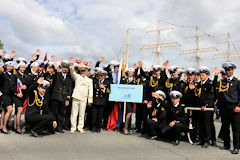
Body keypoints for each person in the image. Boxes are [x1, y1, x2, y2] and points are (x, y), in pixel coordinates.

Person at [191, 66, 216, 148]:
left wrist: (206, 105)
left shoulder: (210, 84)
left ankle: (206, 141)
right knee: (200, 124)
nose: (201, 77)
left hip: (207, 108)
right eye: (200, 75)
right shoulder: (198, 85)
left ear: (207, 75)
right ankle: (201, 140)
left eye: (203, 75)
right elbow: (196, 96)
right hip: (199, 107)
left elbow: (211, 96)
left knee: (207, 124)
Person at [218, 62, 240, 154]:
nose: (227, 71)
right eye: (226, 70)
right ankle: (226, 144)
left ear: (233, 70)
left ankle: (236, 147)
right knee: (225, 127)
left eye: (229, 70)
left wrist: (239, 106)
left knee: (236, 129)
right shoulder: (222, 82)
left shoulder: (237, 82)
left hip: (234, 107)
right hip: (224, 108)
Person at [69, 58, 93, 134]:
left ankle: (80, 127)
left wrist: (90, 100)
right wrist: (72, 65)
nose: (83, 72)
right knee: (74, 113)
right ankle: (73, 127)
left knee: (82, 114)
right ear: (80, 71)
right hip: (76, 96)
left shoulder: (90, 80)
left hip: (84, 98)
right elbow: (72, 72)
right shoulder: (77, 77)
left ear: (86, 72)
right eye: (82, 71)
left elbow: (91, 91)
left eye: (84, 71)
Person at [51, 60, 72, 133]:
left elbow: (69, 89)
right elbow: (52, 79)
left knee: (61, 113)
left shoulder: (69, 77)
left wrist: (68, 99)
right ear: (61, 68)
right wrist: (55, 70)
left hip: (63, 97)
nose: (65, 69)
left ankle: (59, 127)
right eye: (64, 67)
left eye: (66, 68)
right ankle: (53, 127)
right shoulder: (57, 74)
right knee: (54, 112)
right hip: (56, 96)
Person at [11, 61, 28, 134]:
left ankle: (14, 126)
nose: (23, 69)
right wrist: (16, 93)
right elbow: (12, 86)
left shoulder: (25, 76)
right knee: (20, 110)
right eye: (22, 67)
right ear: (18, 68)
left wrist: (26, 87)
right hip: (16, 95)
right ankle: (18, 128)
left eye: (24, 67)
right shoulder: (15, 75)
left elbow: (26, 84)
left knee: (17, 112)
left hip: (22, 96)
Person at [91, 68, 110, 133]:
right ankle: (93, 127)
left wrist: (104, 88)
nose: (100, 77)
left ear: (104, 76)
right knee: (94, 115)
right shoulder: (94, 80)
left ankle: (98, 127)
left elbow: (109, 91)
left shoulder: (107, 82)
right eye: (99, 75)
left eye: (102, 75)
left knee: (100, 115)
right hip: (95, 101)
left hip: (102, 101)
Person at [0, 61, 15, 134]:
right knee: (10, 110)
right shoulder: (3, 74)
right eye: (8, 66)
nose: (10, 67)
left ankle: (1, 125)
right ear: (5, 66)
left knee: (4, 110)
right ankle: (4, 127)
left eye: (11, 66)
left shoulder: (12, 75)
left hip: (11, 95)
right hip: (5, 94)